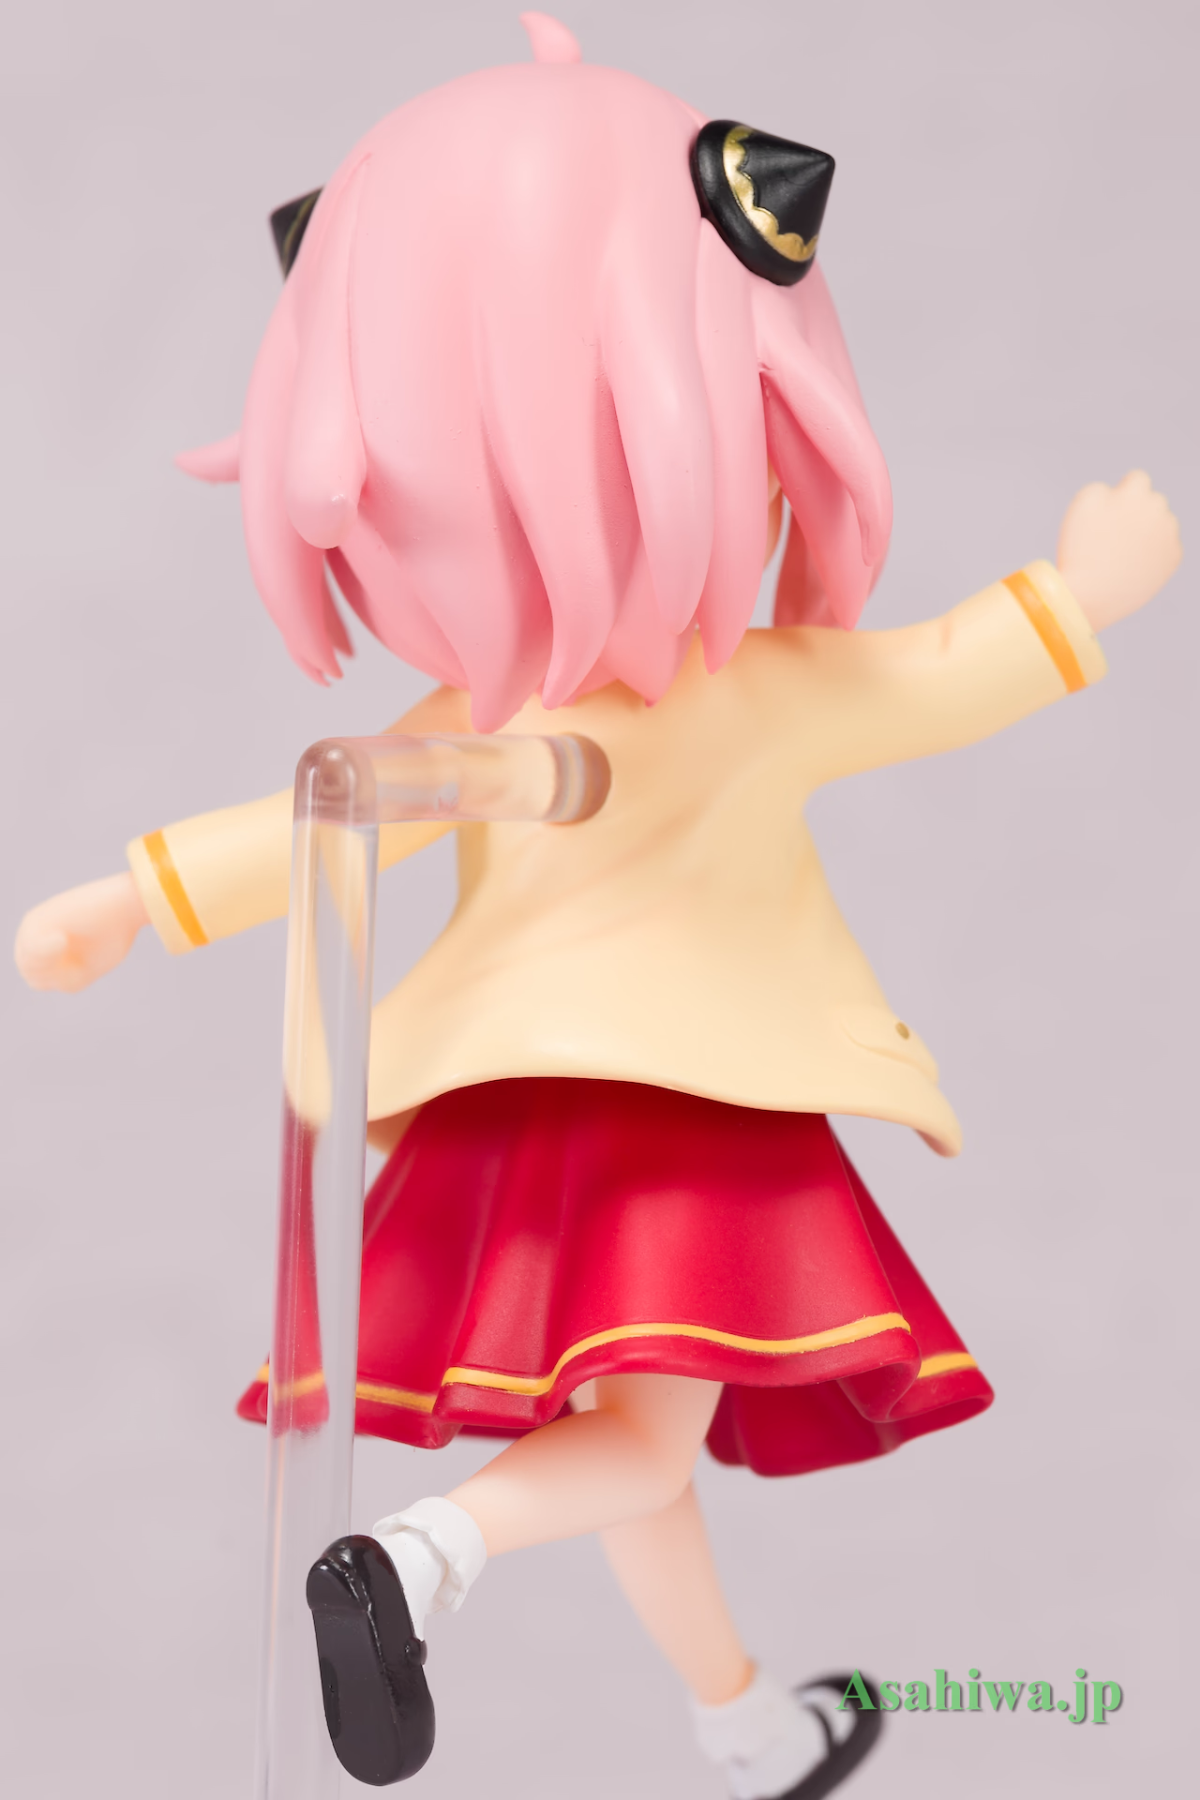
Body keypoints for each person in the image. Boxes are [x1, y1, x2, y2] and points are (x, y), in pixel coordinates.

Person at [13, 14, 1181, 1798]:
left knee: (641, 1444)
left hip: (515, 1126)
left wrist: (130, 899)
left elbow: (313, 813)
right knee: (635, 1445)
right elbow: (945, 675)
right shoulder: (749, 693)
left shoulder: (480, 719)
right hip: (695, 1121)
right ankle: (426, 1558)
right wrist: (1080, 598)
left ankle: (746, 1723)